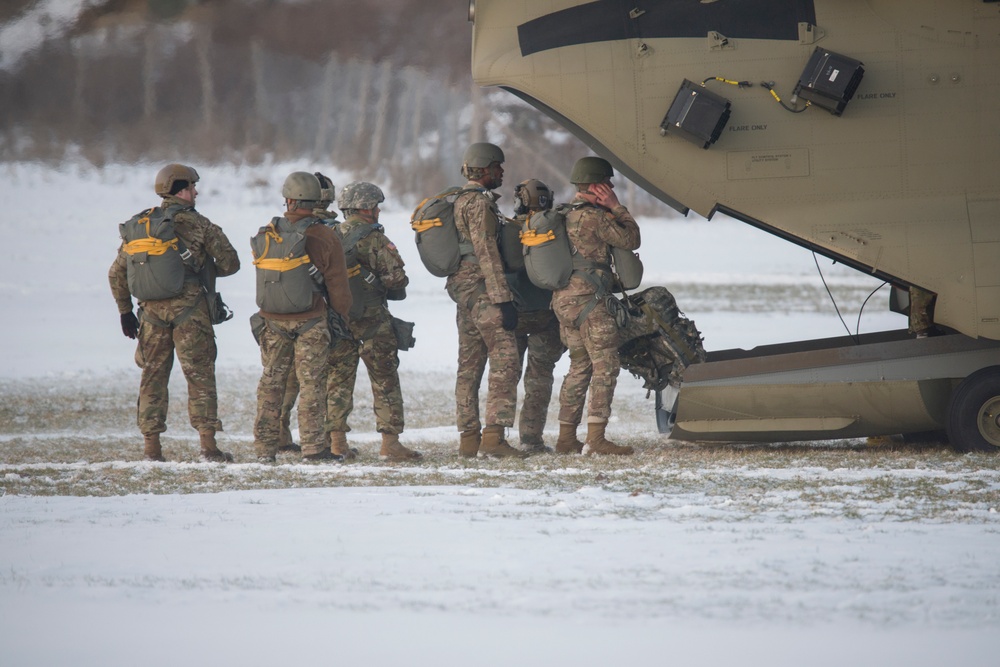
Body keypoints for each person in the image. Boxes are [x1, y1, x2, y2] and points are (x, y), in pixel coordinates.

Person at [109, 163, 240, 462]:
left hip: (150, 315)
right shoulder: (199, 224)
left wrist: (125, 311)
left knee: (152, 377)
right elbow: (231, 263)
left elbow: (117, 272)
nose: (196, 191)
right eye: (192, 186)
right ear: (181, 190)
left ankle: (151, 449)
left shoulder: (140, 226)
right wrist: (204, 269)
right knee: (200, 376)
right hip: (190, 311)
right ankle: (208, 446)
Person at [251, 171, 352, 463]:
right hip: (310, 321)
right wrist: (339, 318)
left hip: (271, 319)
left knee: (271, 384)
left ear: (288, 199)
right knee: (311, 386)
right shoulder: (324, 235)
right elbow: (339, 289)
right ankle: (313, 448)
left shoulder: (267, 233)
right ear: (316, 200)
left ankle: (264, 449)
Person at [326, 182, 421, 462]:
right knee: (385, 381)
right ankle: (390, 445)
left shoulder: (331, 235)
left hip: (339, 322)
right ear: (366, 208)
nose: (378, 210)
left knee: (338, 382)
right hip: (373, 322)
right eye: (376, 205)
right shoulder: (375, 238)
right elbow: (397, 280)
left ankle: (337, 444)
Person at [551, 157, 641, 456]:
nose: (611, 188)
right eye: (607, 184)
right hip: (590, 302)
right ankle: (597, 438)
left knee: (579, 367)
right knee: (606, 366)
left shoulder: (561, 215)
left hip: (563, 303)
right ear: (595, 186)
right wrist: (617, 206)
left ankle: (566, 439)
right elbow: (630, 238)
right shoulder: (594, 217)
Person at [449, 142, 526, 458]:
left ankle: (469, 440)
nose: (502, 172)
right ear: (484, 169)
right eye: (498, 167)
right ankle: (494, 438)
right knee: (506, 359)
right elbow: (486, 252)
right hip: (482, 290)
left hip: (464, 292)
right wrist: (502, 299)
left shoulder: (460, 200)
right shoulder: (479, 205)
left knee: (469, 365)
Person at [273, 172, 340, 454]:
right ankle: (324, 443)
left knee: (284, 378)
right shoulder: (328, 231)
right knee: (317, 380)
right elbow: (338, 279)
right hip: (315, 314)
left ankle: (278, 435)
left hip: (279, 312)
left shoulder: (279, 228)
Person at [504, 179, 566, 452]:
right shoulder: (557, 226)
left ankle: (495, 437)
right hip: (546, 315)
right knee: (540, 378)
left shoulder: (505, 229)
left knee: (505, 377)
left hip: (512, 315)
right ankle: (531, 439)